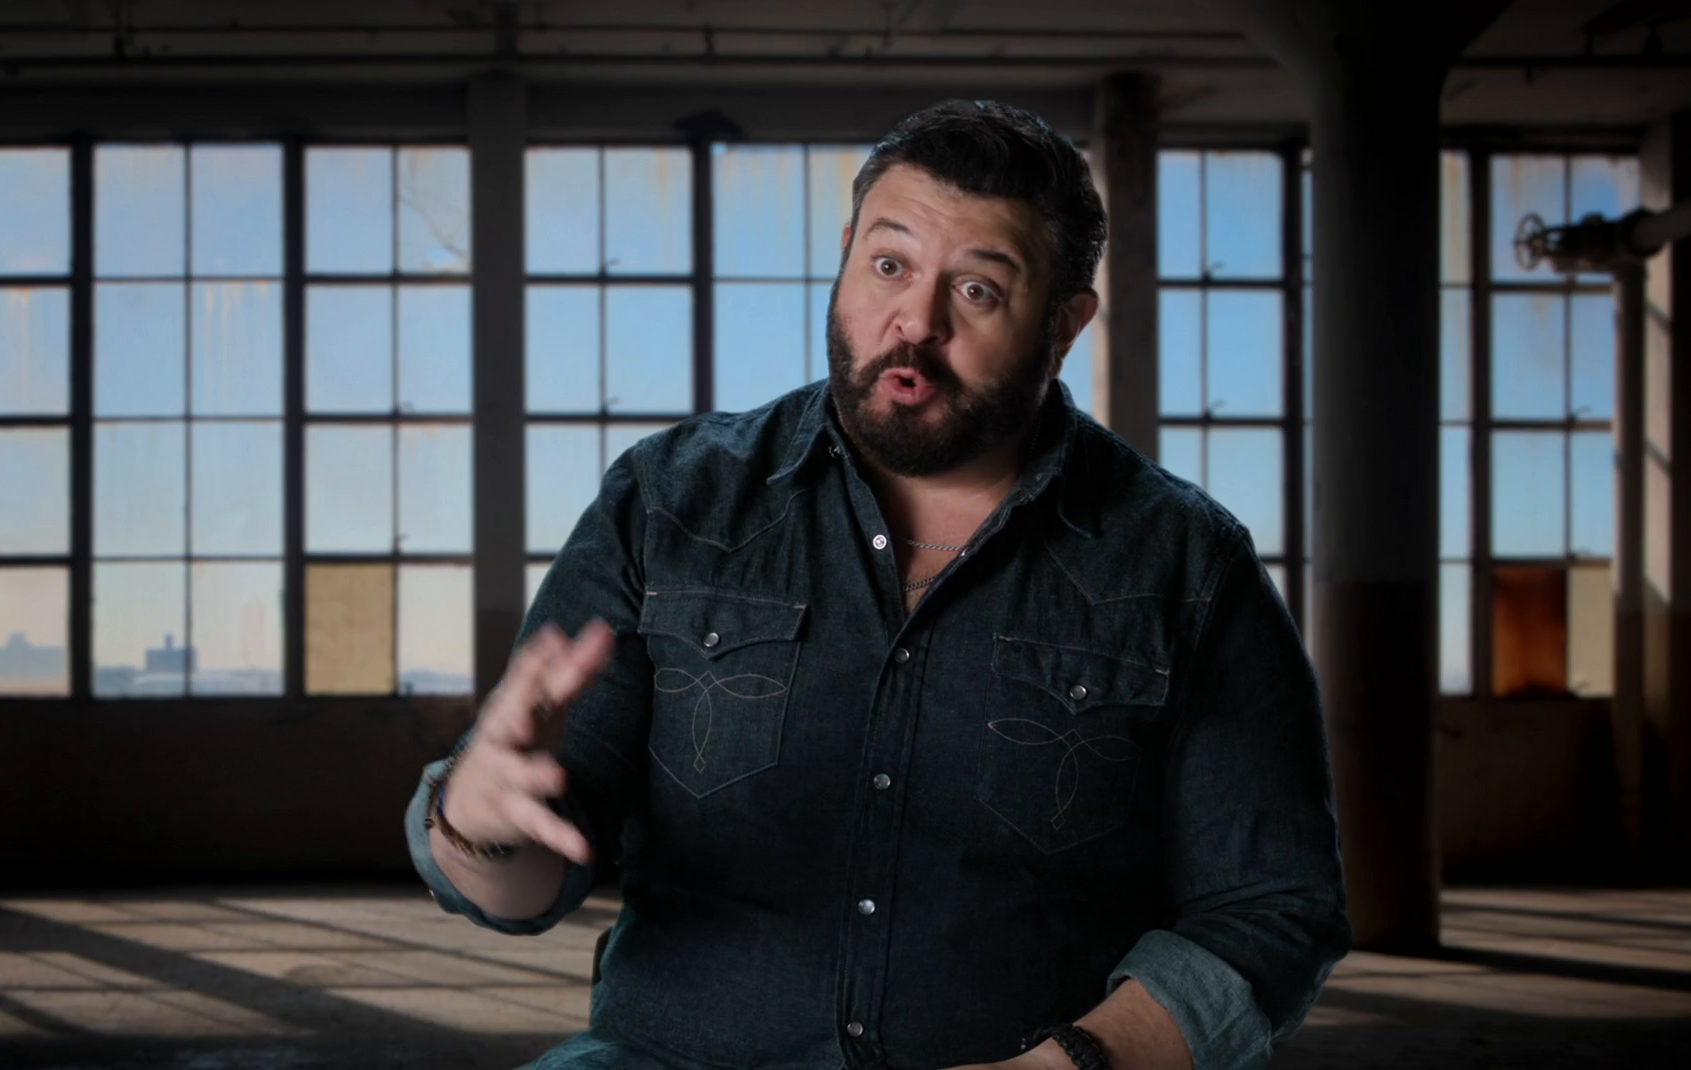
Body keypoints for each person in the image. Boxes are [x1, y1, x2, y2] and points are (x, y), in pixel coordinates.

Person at [406, 99, 1351, 1070]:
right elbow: (524, 880)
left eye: (977, 290)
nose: (915, 323)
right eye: (889, 265)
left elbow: (1272, 909)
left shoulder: (1186, 563)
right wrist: (475, 826)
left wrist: (1071, 1064)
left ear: (1065, 323)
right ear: (846, 257)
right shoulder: (668, 501)